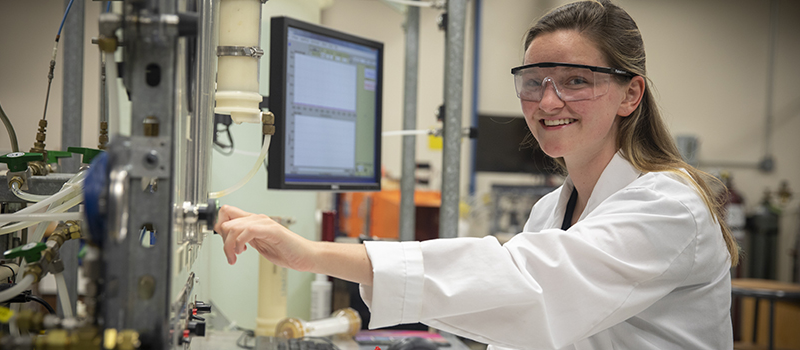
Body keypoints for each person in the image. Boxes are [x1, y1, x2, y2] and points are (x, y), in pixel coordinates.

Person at [215, 1, 739, 349]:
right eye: (535, 81)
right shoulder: (551, 210)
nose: (548, 100)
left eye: (577, 80)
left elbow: (529, 284)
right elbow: (512, 311)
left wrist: (311, 254)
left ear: (631, 93)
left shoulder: (671, 206)